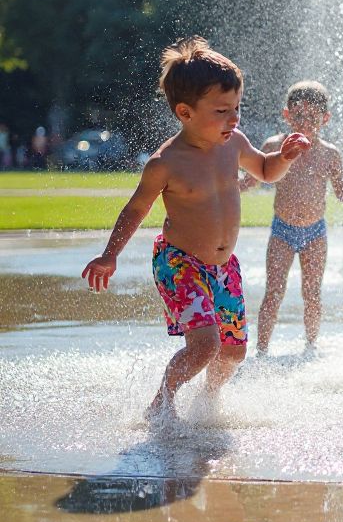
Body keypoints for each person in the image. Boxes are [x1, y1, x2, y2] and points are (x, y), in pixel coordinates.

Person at [81, 36, 310, 421]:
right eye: (222, 110)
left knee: (234, 351)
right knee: (204, 347)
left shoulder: (234, 143)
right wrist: (110, 254)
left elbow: (267, 171)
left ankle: (208, 401)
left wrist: (283, 156)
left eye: (236, 107)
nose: (233, 119)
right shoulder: (166, 163)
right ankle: (163, 401)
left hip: (223, 267)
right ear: (185, 112)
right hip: (180, 263)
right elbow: (136, 208)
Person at [241, 80, 343, 356]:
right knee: (273, 292)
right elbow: (252, 182)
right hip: (282, 230)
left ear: (325, 118)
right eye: (298, 117)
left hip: (315, 232)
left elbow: (341, 192)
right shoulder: (273, 145)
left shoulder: (329, 154)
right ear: (286, 115)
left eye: (313, 118)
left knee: (311, 293)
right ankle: (262, 350)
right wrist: (226, 184)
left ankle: (311, 346)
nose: (305, 124)